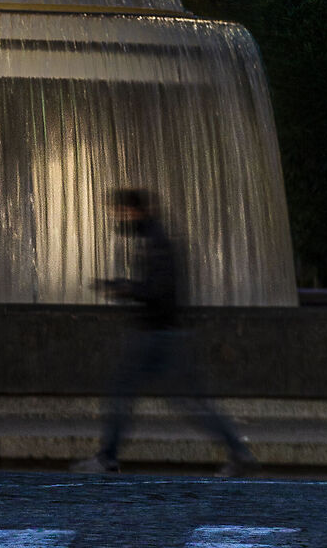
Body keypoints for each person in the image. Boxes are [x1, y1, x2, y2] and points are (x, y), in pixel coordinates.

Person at [92, 186, 257, 477]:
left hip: (157, 336)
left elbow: (159, 290)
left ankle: (107, 457)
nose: (120, 219)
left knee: (131, 393)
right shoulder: (154, 239)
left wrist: (126, 288)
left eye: (122, 213)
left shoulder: (156, 242)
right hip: (162, 334)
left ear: (135, 211)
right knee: (179, 399)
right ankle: (238, 451)